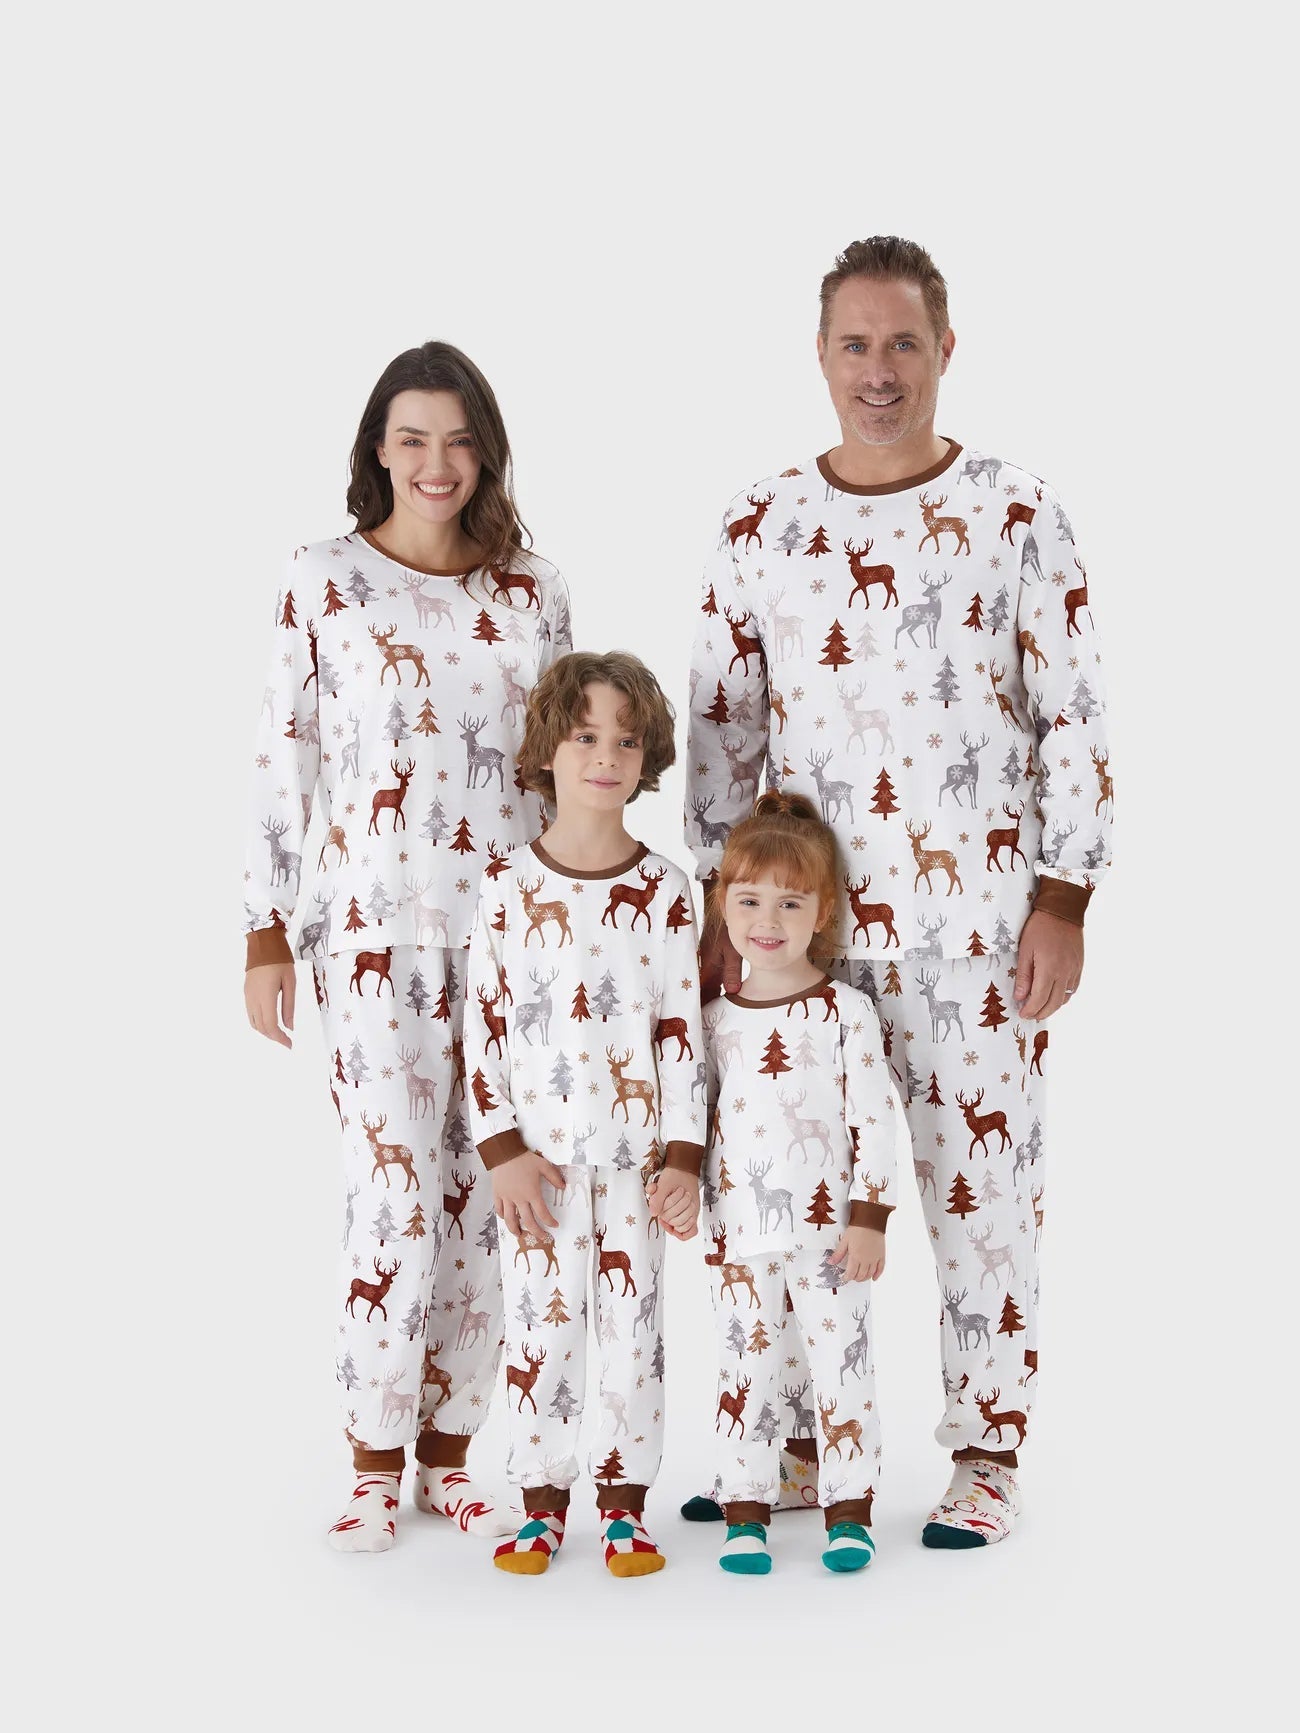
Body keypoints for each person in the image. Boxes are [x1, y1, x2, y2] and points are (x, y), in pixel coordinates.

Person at [685, 237, 1113, 1547]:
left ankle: (986, 1450)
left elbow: (1072, 713)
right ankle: (794, 1441)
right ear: (821, 356)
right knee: (784, 1185)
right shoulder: (759, 523)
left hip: (973, 933)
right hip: (796, 944)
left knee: (982, 1193)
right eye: (856, 345)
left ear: (946, 350)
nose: (880, 371)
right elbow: (721, 729)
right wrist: (714, 911)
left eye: (904, 343)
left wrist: (1063, 896)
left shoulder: (1018, 513)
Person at [242, 341, 572, 1552]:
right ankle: (372, 1458)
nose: (438, 462)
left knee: (493, 1194)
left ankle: (449, 1453)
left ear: (486, 450)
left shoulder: (533, 592)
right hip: (373, 933)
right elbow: (286, 755)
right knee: (394, 1194)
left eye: (459, 439)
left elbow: (559, 770)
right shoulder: (324, 578)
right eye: (413, 437)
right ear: (378, 448)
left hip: (513, 944)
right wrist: (264, 928)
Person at [465, 651, 704, 1576]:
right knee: (542, 1331)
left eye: (626, 742)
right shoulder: (506, 886)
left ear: (647, 760)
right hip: (542, 1168)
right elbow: (484, 1027)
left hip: (639, 1167)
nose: (606, 756)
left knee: (634, 1334)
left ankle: (623, 1506)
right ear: (546, 750)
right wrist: (502, 1151)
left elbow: (681, 1029)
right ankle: (539, 1502)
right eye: (585, 736)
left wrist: (683, 1156)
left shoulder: (668, 891)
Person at [701, 792, 894, 1576]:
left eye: (790, 901)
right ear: (724, 903)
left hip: (831, 1238)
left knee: (842, 1364)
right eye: (749, 899)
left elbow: (873, 1117)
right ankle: (745, 1510)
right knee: (743, 1371)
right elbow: (696, 1116)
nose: (767, 919)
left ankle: (848, 1510)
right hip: (739, 1234)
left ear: (823, 912)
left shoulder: (846, 1011)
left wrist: (869, 1216)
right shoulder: (713, 1017)